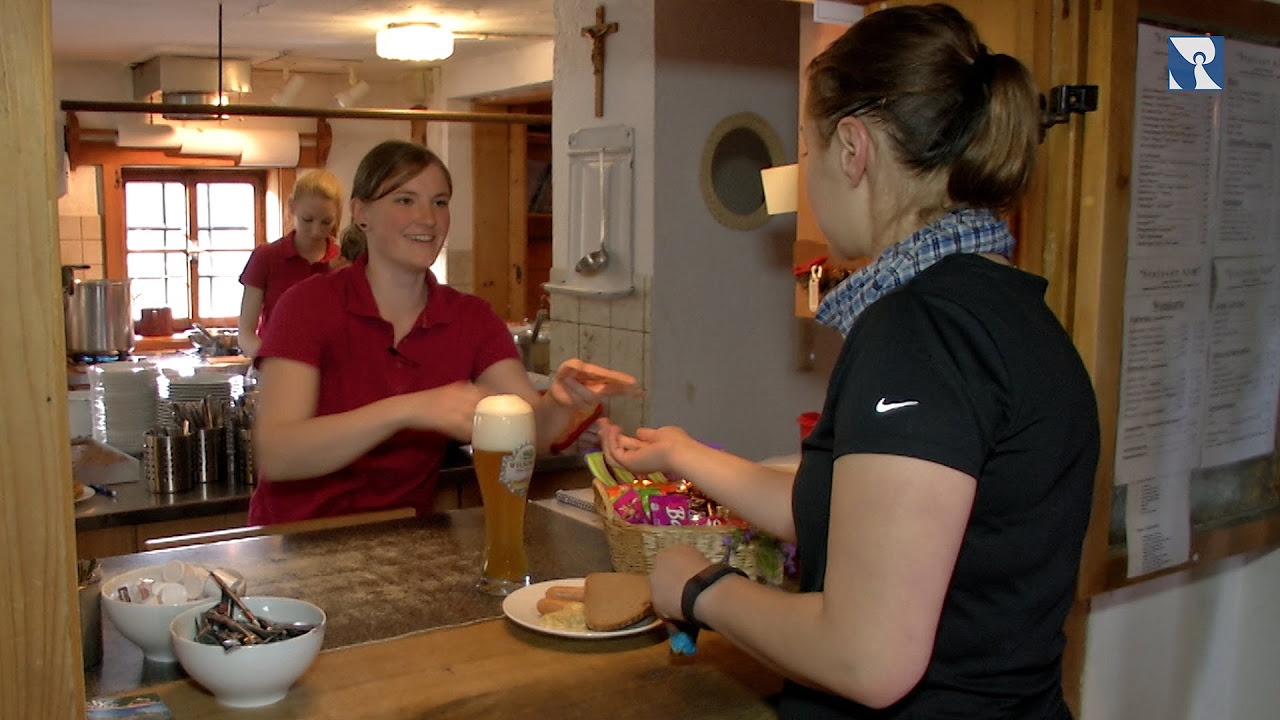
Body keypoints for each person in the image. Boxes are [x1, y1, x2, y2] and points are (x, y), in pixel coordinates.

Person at [598, 5, 1100, 719]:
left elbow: (868, 658)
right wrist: (682, 454)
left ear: (854, 149)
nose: (806, 175)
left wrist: (700, 588)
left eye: (809, 147)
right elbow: (856, 510)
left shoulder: (920, 330)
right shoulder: (1015, 313)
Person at [249, 139, 635, 526]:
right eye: (405, 200)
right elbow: (279, 454)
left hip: (405, 539)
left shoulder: (471, 318)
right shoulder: (308, 305)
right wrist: (409, 409)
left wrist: (558, 403)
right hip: (293, 543)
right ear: (361, 213)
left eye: (439, 202)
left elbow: (527, 433)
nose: (429, 218)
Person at [237, 168, 344, 357]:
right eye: (307, 220)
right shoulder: (266, 257)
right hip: (275, 367)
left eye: (326, 222)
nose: (315, 231)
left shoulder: (343, 263)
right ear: (292, 207)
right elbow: (246, 334)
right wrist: (270, 362)